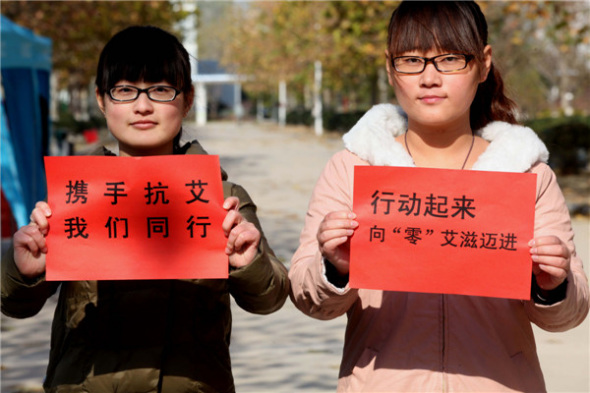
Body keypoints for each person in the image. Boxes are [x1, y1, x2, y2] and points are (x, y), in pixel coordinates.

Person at [288, 2, 589, 392]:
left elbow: (569, 313)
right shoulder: (352, 169)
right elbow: (308, 297)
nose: (429, 78)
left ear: (483, 64)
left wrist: (553, 285)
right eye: (411, 60)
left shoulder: (528, 174)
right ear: (390, 67)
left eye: (449, 59)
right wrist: (335, 268)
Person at [1, 26, 289, 393]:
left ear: (187, 100)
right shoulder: (74, 197)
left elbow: (270, 297)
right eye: (124, 90)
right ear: (101, 100)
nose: (142, 105)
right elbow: (14, 305)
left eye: (160, 89)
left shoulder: (223, 198)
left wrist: (250, 263)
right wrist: (23, 270)